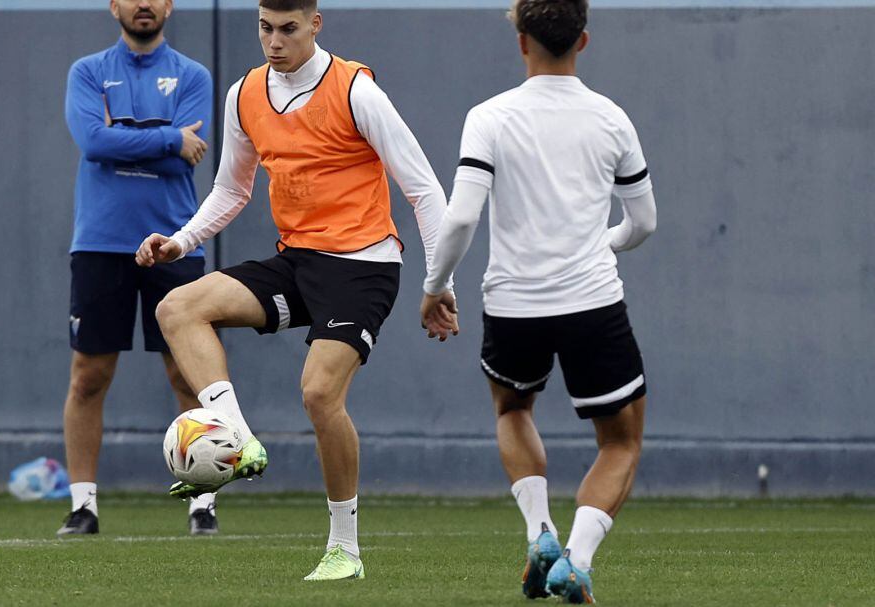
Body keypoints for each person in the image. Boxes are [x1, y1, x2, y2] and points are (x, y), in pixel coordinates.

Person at [136, 0, 452, 581]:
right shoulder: (245, 94)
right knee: (177, 306)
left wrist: (439, 284)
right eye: (265, 28)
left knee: (318, 395)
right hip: (298, 259)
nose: (274, 42)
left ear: (315, 24)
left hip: (363, 265)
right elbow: (232, 189)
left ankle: (344, 549)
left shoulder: (356, 90)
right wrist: (180, 243)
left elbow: (426, 192)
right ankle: (237, 440)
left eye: (287, 29)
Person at [420, 0, 657, 602]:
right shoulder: (612, 119)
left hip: (512, 306)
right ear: (584, 40)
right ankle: (575, 560)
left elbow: (462, 218)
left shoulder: (489, 117)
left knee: (511, 411)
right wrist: (595, 243)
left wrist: (434, 287)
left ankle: (540, 532)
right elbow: (643, 224)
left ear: (521, 41)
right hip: (592, 303)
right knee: (621, 442)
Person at [58, 0, 217, 537]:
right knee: (90, 377)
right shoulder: (88, 71)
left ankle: (202, 503)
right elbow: (93, 142)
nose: (143, 4)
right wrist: (171, 136)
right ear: (114, 6)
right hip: (101, 243)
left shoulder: (193, 75)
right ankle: (84, 507)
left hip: (174, 241)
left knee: (186, 374)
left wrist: (125, 136)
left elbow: (181, 159)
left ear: (169, 6)